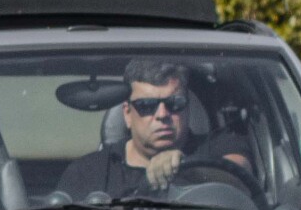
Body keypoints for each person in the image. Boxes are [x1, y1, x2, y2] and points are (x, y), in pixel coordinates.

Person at [55, 59, 252, 200]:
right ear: (127, 113)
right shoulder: (89, 172)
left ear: (188, 107)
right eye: (147, 105)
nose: (162, 114)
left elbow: (238, 174)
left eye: (174, 103)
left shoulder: (219, 145)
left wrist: (187, 165)